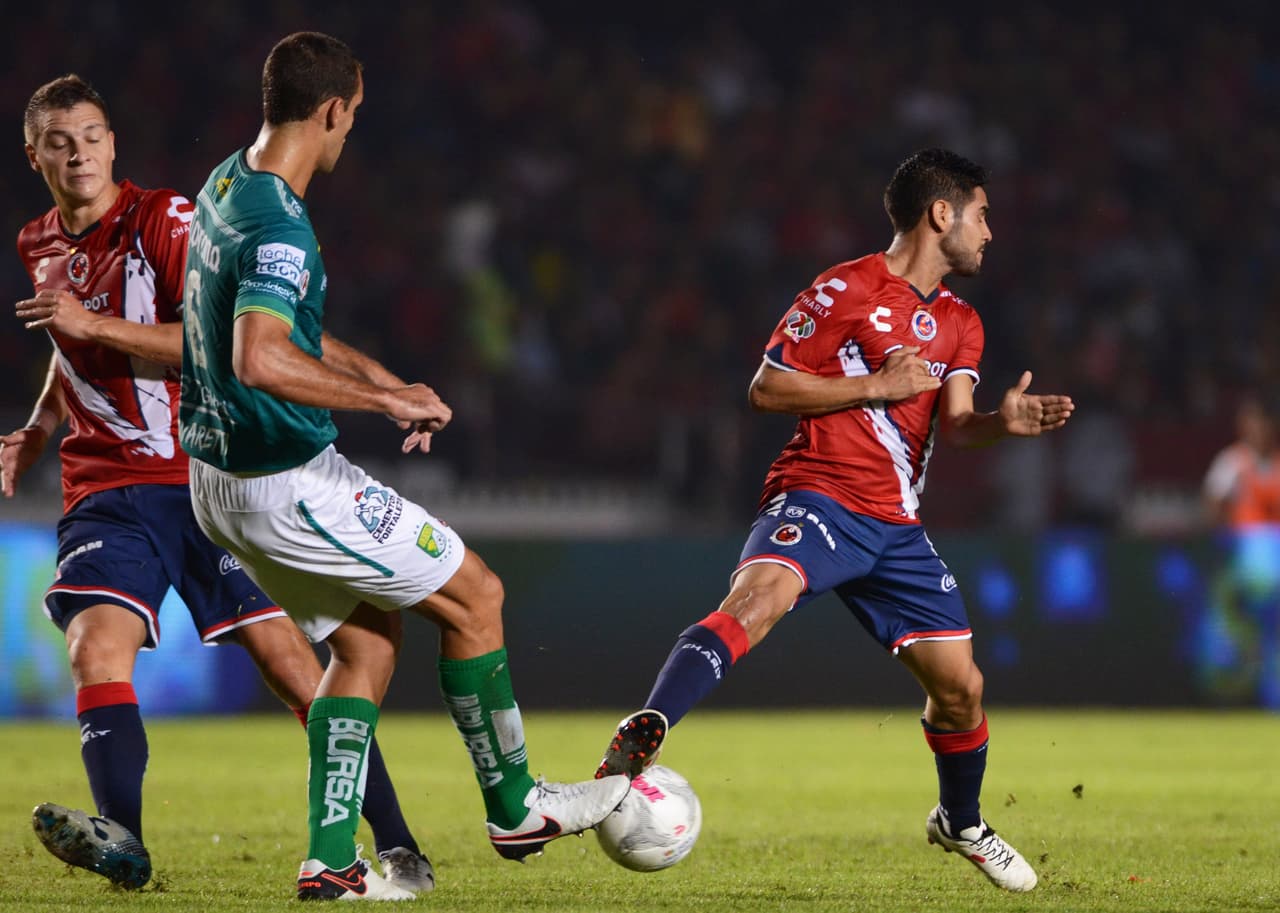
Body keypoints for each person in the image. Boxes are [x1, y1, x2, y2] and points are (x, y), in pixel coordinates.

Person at [177, 32, 629, 902]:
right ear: (331, 110)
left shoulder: (227, 183)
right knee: (478, 595)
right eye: (353, 115)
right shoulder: (279, 222)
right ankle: (516, 806)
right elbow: (260, 356)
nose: (351, 131)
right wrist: (379, 405)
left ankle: (332, 861)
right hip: (287, 483)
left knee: (367, 643)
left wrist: (388, 383)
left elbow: (292, 334)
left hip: (219, 485)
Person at [595, 148, 1076, 893]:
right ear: (941, 213)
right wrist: (873, 385)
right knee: (756, 603)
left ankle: (961, 822)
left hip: (897, 528)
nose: (990, 231)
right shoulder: (845, 288)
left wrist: (999, 423)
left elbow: (957, 424)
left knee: (962, 690)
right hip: (818, 495)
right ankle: (643, 734)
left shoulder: (961, 322)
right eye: (982, 215)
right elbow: (766, 388)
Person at [4, 74, 434, 895]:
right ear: (35, 156)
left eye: (91, 136)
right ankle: (124, 841)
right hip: (103, 490)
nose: (79, 153)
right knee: (94, 647)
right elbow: (70, 351)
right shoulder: (37, 244)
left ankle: (397, 838)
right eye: (60, 142)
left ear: (113, 143)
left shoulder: (166, 221)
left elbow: (213, 339)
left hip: (200, 475)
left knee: (291, 664)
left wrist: (93, 324)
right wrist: (36, 428)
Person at [1202, 392, 1280, 709]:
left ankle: (1272, 695)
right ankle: (1231, 693)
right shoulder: (1232, 462)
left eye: (1262, 421)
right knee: (1239, 635)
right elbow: (1212, 505)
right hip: (1245, 562)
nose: (1256, 427)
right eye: (1250, 420)